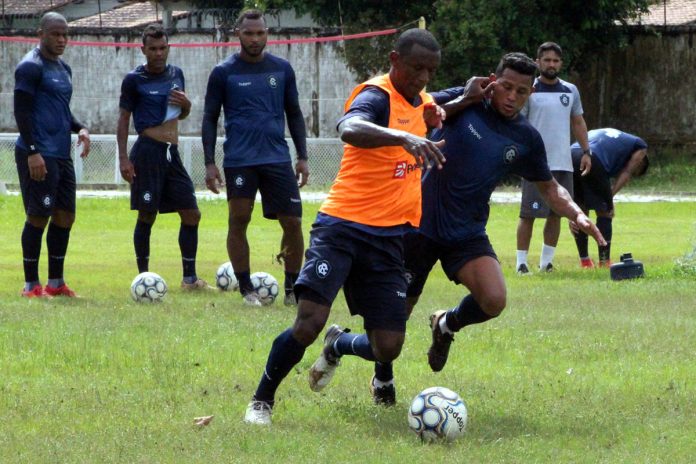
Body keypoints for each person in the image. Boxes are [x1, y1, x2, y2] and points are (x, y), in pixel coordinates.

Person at [302, 52, 606, 403]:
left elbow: (550, 187)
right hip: (416, 227)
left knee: (494, 299)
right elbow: (415, 113)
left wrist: (576, 213)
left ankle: (446, 324)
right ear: (493, 80)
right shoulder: (462, 100)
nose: (511, 97)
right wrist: (464, 98)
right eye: (506, 87)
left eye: (521, 92)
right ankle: (353, 354)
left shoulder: (525, 138)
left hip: (466, 232)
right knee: (389, 332)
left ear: (531, 93)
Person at [243, 28, 448, 425]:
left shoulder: (421, 99)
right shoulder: (376, 94)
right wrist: (401, 136)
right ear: (394, 60)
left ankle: (338, 345)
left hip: (389, 236)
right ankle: (261, 399)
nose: (424, 77)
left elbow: (438, 101)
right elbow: (349, 127)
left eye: (431, 70)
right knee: (308, 323)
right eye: (416, 68)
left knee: (388, 345)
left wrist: (452, 103)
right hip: (343, 228)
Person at [202, 9, 309, 307]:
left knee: (293, 222)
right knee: (239, 219)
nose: (255, 38)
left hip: (276, 158)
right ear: (239, 34)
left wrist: (302, 156)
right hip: (239, 159)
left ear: (267, 34)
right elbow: (209, 118)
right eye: (249, 33)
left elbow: (295, 113)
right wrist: (209, 163)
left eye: (260, 33)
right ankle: (247, 289)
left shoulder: (282, 69)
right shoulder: (223, 72)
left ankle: (291, 289)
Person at [117, 24, 209, 290]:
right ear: (143, 49)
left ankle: (189, 279)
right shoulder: (134, 80)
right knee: (147, 215)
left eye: (163, 48)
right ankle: (143, 278)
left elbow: (181, 113)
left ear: (168, 48)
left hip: (172, 153)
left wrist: (188, 106)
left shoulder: (176, 74)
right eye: (153, 49)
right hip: (147, 152)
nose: (158, 53)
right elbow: (123, 120)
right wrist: (123, 158)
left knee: (192, 213)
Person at [13, 12, 91, 298]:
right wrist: (33, 152)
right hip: (38, 153)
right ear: (41, 33)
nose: (61, 39)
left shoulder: (64, 69)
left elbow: (61, 110)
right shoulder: (30, 67)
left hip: (61, 154)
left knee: (65, 216)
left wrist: (80, 127)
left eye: (65, 34)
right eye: (56, 34)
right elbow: (21, 111)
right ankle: (31, 286)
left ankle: (56, 283)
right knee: (38, 216)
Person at [515, 42, 592, 274]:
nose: (551, 64)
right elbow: (519, 125)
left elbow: (578, 122)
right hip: (535, 164)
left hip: (563, 163)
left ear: (561, 63)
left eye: (556, 60)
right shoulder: (529, 90)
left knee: (556, 214)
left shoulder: (571, 90)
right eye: (547, 60)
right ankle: (521, 264)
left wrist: (587, 152)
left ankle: (546, 263)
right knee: (528, 214)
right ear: (537, 62)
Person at [570, 128, 649, 268]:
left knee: (580, 213)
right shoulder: (641, 147)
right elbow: (627, 172)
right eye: (638, 170)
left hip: (571, 154)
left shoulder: (619, 138)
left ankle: (585, 262)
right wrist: (609, 197)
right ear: (641, 162)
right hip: (593, 158)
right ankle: (604, 261)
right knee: (605, 212)